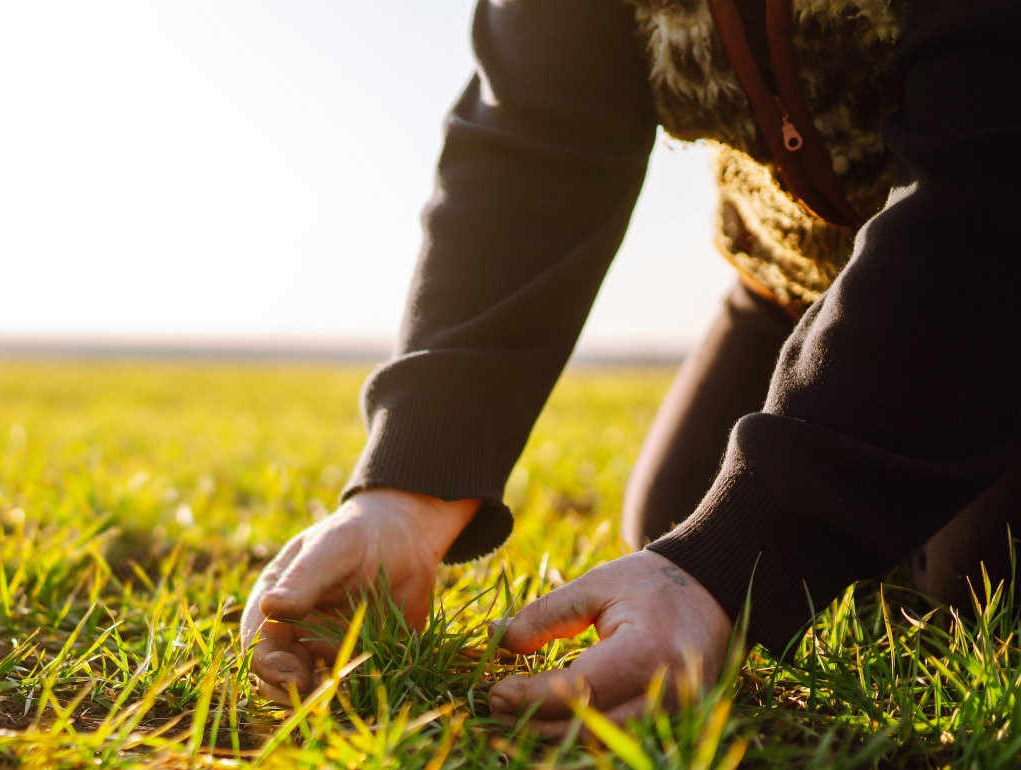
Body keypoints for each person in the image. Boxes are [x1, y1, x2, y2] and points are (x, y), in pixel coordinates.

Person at [241, 0, 1021, 724]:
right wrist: (408, 492)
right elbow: (536, 143)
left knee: (982, 587)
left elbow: (984, 189)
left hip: (982, 244)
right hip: (792, 277)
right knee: (677, 520)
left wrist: (747, 553)